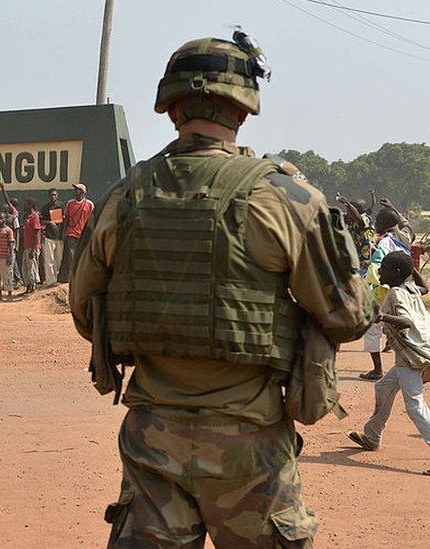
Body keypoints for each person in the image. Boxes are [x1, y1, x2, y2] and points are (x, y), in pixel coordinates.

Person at [69, 34, 374, 547]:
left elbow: (84, 313)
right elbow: (350, 315)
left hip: (151, 442)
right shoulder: (286, 198)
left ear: (171, 108)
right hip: (249, 445)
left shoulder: (124, 196)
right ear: (245, 108)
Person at [348, 251, 430, 475]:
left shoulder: (396, 293)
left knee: (415, 407)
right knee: (383, 388)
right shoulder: (411, 288)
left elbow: (405, 321)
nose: (379, 271)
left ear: (395, 273)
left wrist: (381, 317)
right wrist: (410, 267)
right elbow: (425, 287)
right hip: (420, 353)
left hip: (412, 358)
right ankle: (372, 436)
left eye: (383, 267)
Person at [359, 208, 412, 381]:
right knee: (399, 323)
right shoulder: (404, 238)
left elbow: (375, 271)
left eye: (378, 222)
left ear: (384, 224)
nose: (376, 225)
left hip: (382, 291)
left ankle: (377, 369)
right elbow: (406, 226)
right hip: (402, 287)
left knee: (372, 328)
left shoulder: (384, 243)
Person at [60, 183, 94, 283]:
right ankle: (72, 278)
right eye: (74, 189)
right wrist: (64, 233)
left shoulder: (89, 204)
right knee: (71, 257)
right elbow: (66, 219)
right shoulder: (70, 203)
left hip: (84, 234)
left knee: (83, 256)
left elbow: (92, 220)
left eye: (77, 189)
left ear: (82, 192)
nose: (74, 191)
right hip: (71, 233)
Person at [39, 188, 64, 285]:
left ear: (57, 196)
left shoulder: (61, 206)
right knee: (49, 260)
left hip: (60, 237)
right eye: (51, 195)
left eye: (54, 195)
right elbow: (40, 221)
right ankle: (50, 281)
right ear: (48, 196)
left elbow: (65, 219)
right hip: (49, 237)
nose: (53, 197)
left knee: (59, 259)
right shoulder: (45, 208)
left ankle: (57, 280)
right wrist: (50, 223)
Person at [21, 199, 42, 294]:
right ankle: (28, 287)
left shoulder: (34, 217)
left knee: (32, 268)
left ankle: (33, 288)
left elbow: (37, 234)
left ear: (30, 205)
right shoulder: (27, 217)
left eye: (26, 204)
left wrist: (34, 250)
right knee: (25, 267)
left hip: (32, 247)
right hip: (27, 246)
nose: (24, 206)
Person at [0, 212, 14, 301]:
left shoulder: (8, 230)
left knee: (7, 275)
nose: (0, 220)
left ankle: (9, 294)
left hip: (5, 256)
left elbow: (11, 243)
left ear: (5, 219)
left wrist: (10, 255)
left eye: (1, 218)